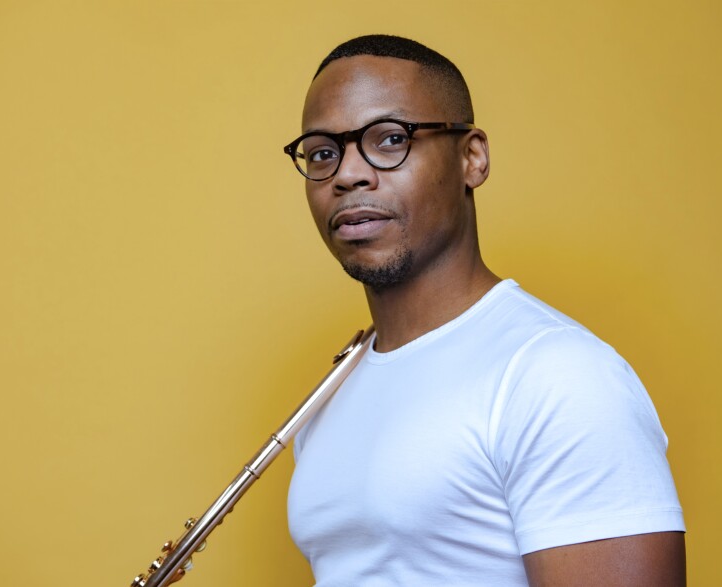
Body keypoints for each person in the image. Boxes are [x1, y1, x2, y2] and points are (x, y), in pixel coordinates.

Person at [283, 35, 686, 586]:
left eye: (390, 139)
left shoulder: (557, 376)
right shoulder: (333, 393)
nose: (349, 175)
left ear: (472, 157)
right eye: (323, 153)